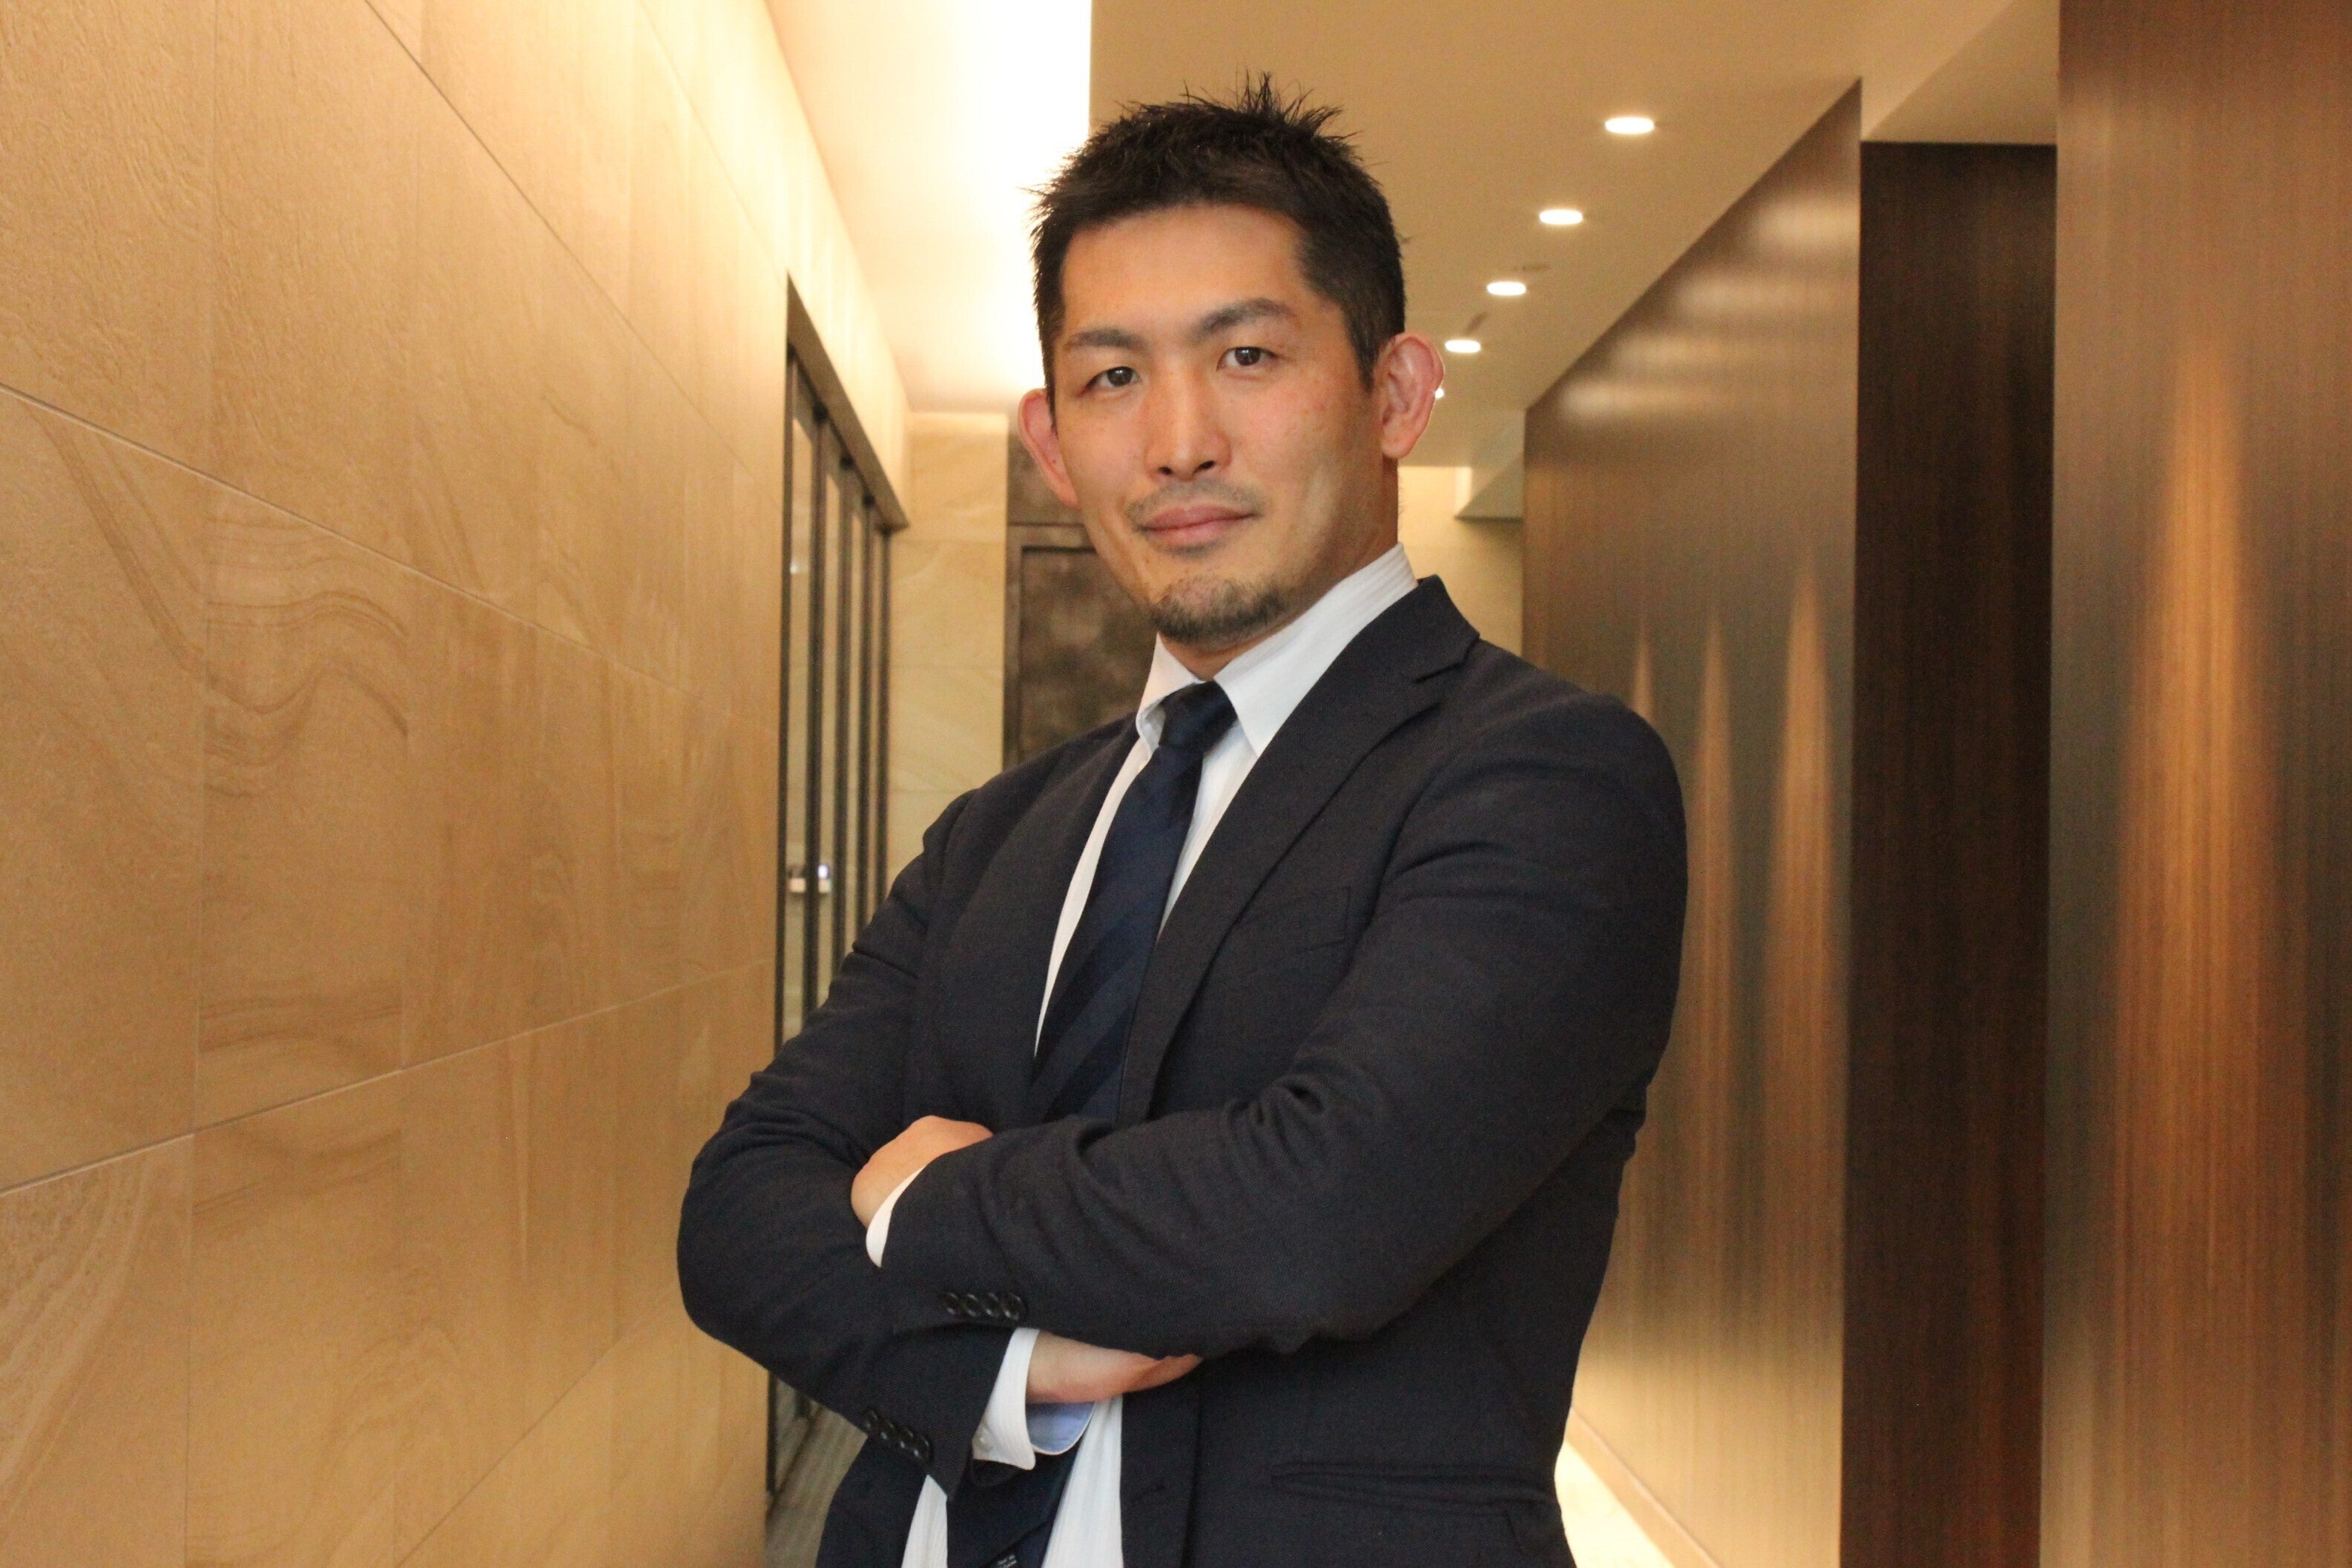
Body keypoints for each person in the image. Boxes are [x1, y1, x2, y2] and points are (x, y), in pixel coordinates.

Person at [678, 80, 1687, 1568]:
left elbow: (1316, 1213)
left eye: (1246, 355)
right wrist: (1005, 1371)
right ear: (1049, 440)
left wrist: (927, 1194)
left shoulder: (1542, 777)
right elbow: (738, 1211)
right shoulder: (995, 834)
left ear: (1396, 393)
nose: (1178, 440)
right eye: (1111, 378)